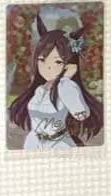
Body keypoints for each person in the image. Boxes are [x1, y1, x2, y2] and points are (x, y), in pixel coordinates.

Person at [9, 14, 103, 149]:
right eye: (42, 60)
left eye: (58, 62)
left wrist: (65, 80)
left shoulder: (67, 87)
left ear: (69, 64)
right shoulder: (40, 90)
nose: (48, 67)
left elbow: (81, 114)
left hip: (58, 144)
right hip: (34, 142)